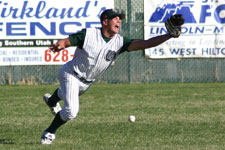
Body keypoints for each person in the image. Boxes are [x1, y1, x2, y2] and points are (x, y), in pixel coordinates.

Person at [40, 9, 184, 144]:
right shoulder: (89, 34)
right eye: (115, 18)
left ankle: (52, 100)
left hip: (87, 82)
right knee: (71, 111)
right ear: (105, 22)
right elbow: (68, 41)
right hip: (70, 74)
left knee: (68, 92)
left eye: (119, 19)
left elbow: (145, 44)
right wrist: (61, 44)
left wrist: (168, 35)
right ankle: (49, 132)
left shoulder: (119, 42)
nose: (119, 21)